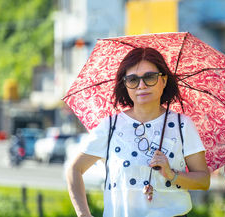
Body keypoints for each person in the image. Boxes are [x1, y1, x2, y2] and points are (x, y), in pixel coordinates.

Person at [67, 47, 210, 217]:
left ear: (163, 81)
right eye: (133, 80)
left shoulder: (182, 125)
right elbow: (74, 169)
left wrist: (171, 174)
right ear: (125, 85)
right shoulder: (110, 126)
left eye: (149, 77)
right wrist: (84, 214)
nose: (141, 86)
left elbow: (203, 180)